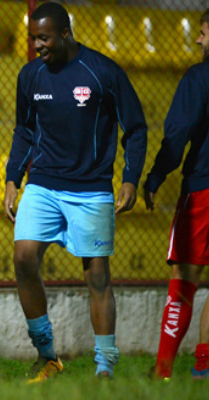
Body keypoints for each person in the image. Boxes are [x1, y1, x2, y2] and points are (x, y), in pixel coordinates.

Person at [3, 2, 147, 381]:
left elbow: (135, 127)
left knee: (97, 276)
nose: (37, 46)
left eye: (44, 38)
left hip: (92, 189)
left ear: (65, 34)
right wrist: (12, 178)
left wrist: (130, 178)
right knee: (23, 258)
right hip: (44, 183)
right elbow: (24, 131)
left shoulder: (103, 72)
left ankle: (105, 368)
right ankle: (46, 354)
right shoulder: (30, 75)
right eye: (34, 38)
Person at [143, 9, 209, 381]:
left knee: (185, 276)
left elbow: (179, 132)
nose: (199, 40)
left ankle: (164, 369)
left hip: (203, 188)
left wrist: (155, 175)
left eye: (203, 32)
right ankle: (204, 367)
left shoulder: (199, 77)